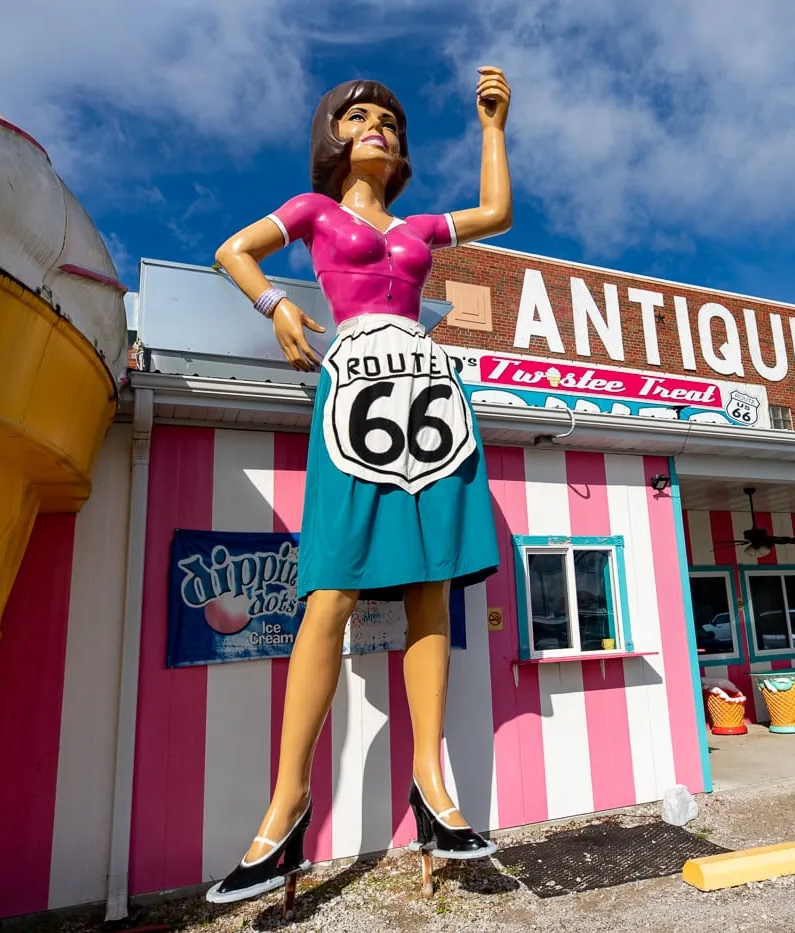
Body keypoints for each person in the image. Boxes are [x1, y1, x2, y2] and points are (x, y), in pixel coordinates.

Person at [208, 68, 512, 908]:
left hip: (428, 392)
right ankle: (286, 803)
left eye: (387, 118)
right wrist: (274, 304)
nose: (375, 125)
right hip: (354, 388)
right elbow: (233, 249)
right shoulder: (312, 213)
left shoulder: (418, 224)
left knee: (430, 589)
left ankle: (430, 783)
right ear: (333, 137)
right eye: (358, 117)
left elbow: (494, 216)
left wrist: (492, 126)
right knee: (330, 587)